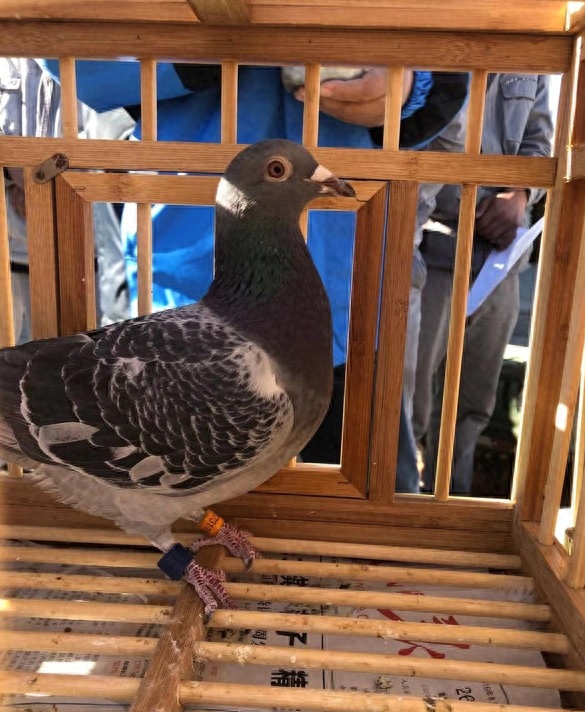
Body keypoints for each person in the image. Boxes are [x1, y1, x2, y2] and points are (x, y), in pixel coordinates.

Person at [39, 60, 468, 490]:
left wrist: (411, 88)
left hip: (351, 287)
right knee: (196, 493)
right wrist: (221, 42)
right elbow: (73, 59)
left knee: (370, 495)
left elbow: (451, 65)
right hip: (192, 288)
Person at [412, 73, 554, 495]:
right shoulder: (439, 54)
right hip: (433, 248)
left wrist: (520, 195)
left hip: (500, 258)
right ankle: (396, 500)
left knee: (473, 404)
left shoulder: (532, 63)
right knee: (408, 399)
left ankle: (451, 500)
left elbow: (539, 143)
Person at [0, 58, 133, 345]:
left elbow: (115, 135)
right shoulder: (8, 54)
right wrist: (13, 176)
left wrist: (43, 177)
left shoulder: (102, 54)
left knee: (93, 350)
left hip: (94, 259)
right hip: (14, 256)